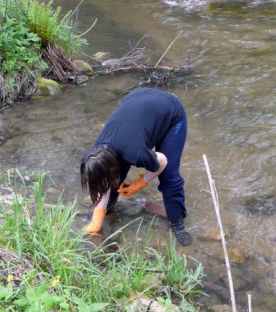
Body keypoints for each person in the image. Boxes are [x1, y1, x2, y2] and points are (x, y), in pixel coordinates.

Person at [80, 87, 192, 245]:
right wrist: (97, 217)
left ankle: (177, 222)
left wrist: (138, 184)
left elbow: (163, 161)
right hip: (138, 98)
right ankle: (109, 207)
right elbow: (103, 179)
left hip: (171, 111)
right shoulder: (97, 152)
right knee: (113, 173)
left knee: (169, 178)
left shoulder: (135, 152)